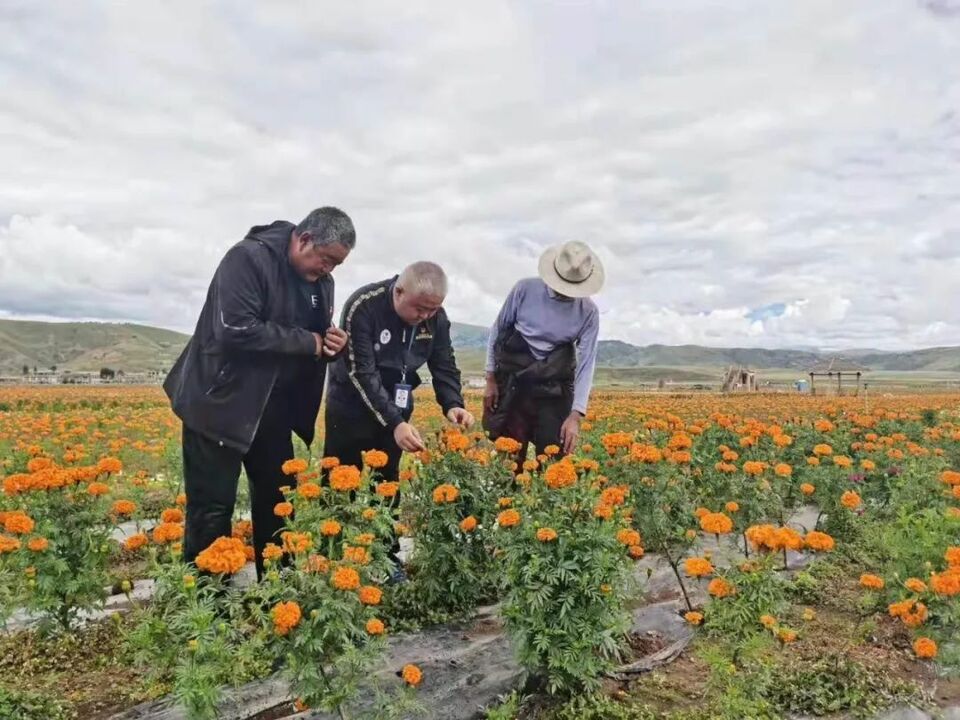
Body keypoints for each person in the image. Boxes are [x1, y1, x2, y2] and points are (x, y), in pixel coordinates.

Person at [163, 207, 355, 579]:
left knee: (279, 499)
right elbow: (235, 329)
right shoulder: (247, 259)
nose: (328, 270)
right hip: (218, 404)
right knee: (212, 509)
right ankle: (207, 602)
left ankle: (278, 590)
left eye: (336, 265)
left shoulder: (320, 283)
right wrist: (310, 342)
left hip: (272, 409)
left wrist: (333, 342)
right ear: (303, 240)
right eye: (326, 260)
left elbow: (315, 335)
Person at [324, 261, 474, 486]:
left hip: (397, 399)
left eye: (432, 309)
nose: (425, 315)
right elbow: (363, 372)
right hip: (351, 403)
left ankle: (386, 519)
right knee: (340, 482)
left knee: (387, 481)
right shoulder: (364, 305)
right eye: (420, 308)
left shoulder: (437, 318)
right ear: (399, 291)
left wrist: (453, 403)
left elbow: (444, 364)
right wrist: (395, 423)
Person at [483, 240, 603, 457]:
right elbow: (497, 330)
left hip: (554, 387)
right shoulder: (524, 289)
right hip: (515, 380)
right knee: (508, 460)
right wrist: (491, 378)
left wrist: (575, 416)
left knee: (553, 458)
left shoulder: (589, 312)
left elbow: (586, 365)